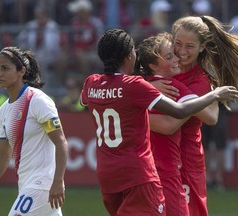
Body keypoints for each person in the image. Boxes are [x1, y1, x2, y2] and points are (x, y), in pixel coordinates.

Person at [80, 28, 238, 216]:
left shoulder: (91, 82)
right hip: (139, 174)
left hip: (107, 175)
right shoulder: (136, 86)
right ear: (128, 56)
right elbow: (180, 112)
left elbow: (87, 103)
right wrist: (215, 94)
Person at [151, 15, 238, 216]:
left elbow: (169, 125)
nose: (181, 52)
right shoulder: (162, 66)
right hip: (155, 158)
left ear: (202, 47)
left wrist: (131, 118)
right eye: (178, 44)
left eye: (189, 46)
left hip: (184, 161)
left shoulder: (200, 81)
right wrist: (148, 86)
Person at [0, 46, 68, 215]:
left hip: (42, 185)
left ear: (22, 71)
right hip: (26, 185)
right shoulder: (3, 110)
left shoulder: (38, 100)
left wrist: (58, 181)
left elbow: (61, 142)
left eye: (5, 68)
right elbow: (4, 154)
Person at [136, 32, 197, 216]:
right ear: (153, 66)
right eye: (169, 56)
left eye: (174, 54)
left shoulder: (135, 86)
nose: (177, 59)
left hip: (140, 172)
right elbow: (210, 116)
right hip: (165, 171)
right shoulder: (173, 87)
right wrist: (214, 94)